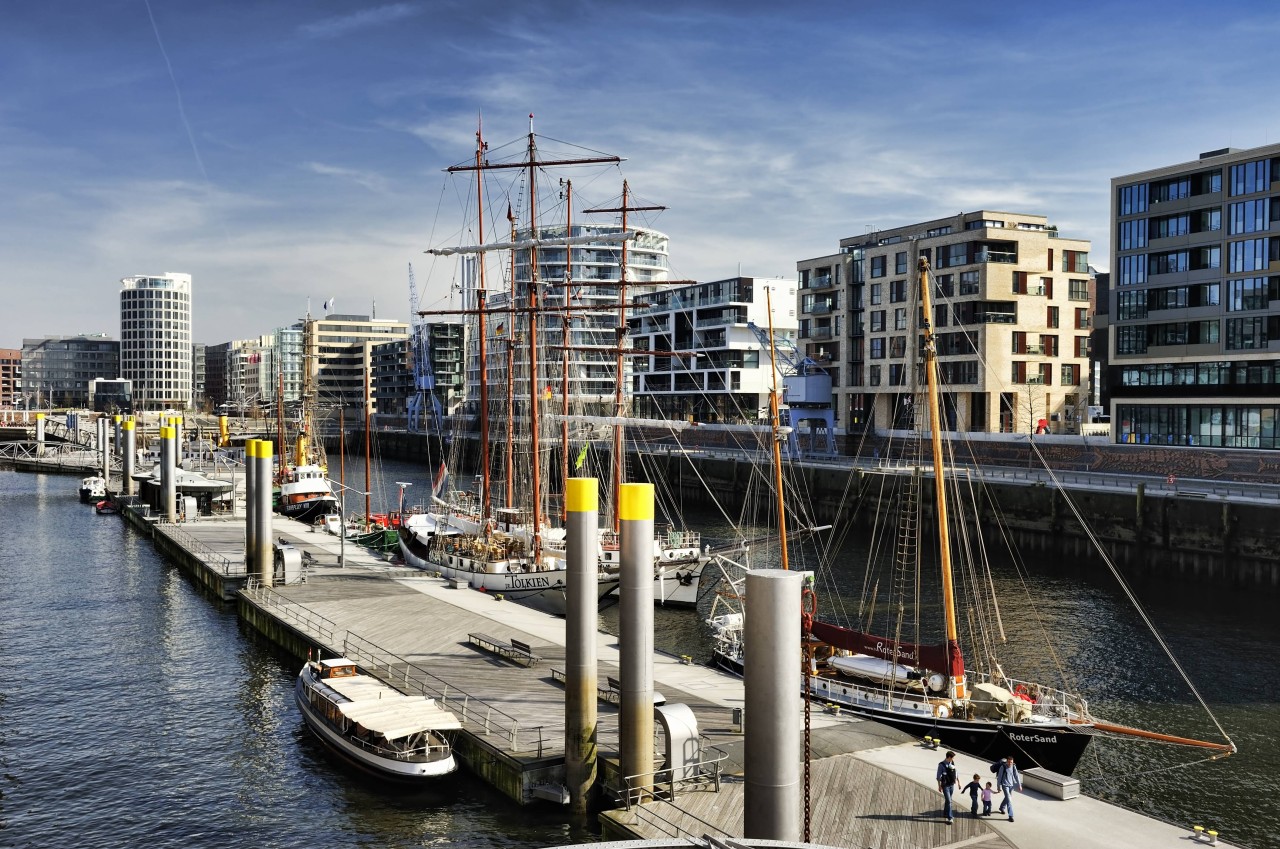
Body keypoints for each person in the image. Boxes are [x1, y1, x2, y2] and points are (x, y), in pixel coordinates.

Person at [996, 755, 1022, 821]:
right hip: (1005, 785)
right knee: (1009, 800)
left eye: (1011, 762)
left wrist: (1019, 785)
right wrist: (998, 787)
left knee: (1007, 798)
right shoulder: (1003, 767)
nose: (1010, 764)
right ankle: (1011, 816)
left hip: (1011, 785)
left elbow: (1016, 776)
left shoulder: (1014, 766)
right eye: (1009, 762)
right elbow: (999, 778)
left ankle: (1001, 807)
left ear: (1013, 762)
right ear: (1007, 762)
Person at [936, 750, 959, 824]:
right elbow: (938, 777)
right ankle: (950, 817)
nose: (953, 759)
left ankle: (945, 813)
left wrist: (958, 781)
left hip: (952, 785)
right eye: (952, 758)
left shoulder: (952, 763)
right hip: (945, 786)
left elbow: (956, 772)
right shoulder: (941, 765)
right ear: (949, 757)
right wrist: (939, 786)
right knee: (949, 801)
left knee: (948, 800)